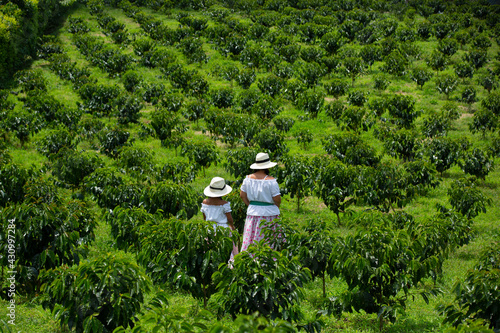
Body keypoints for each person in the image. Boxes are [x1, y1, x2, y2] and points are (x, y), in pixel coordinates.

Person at [239, 152, 281, 252]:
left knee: (251, 238)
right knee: (267, 239)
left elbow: (242, 195)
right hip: (268, 213)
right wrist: (276, 207)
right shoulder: (271, 181)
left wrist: (250, 205)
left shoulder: (247, 179)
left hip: (252, 212)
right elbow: (277, 199)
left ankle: (249, 258)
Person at [201, 177, 238, 258]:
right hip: (222, 228)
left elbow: (204, 216)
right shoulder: (224, 203)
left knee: (210, 248)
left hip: (209, 227)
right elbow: (229, 218)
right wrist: (232, 226)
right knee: (226, 248)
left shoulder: (205, 202)